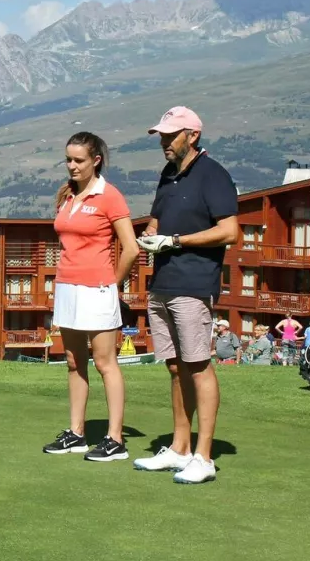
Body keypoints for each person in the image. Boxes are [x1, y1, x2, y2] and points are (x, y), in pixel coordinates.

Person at [133, 107, 240, 485]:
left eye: (170, 135)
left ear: (192, 135)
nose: (163, 141)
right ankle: (179, 448)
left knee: (198, 365)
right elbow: (159, 219)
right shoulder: (169, 174)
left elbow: (229, 231)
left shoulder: (213, 175)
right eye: (162, 135)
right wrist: (151, 232)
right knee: (176, 366)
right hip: (163, 282)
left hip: (194, 284)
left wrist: (176, 242)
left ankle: (204, 456)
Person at [42, 132, 140, 462]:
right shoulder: (67, 196)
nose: (71, 166)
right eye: (68, 159)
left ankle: (115, 439)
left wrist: (112, 282)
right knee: (73, 362)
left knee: (104, 362)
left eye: (78, 160)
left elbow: (131, 248)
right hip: (68, 288)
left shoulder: (109, 196)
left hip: (97, 289)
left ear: (95, 160)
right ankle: (76, 434)